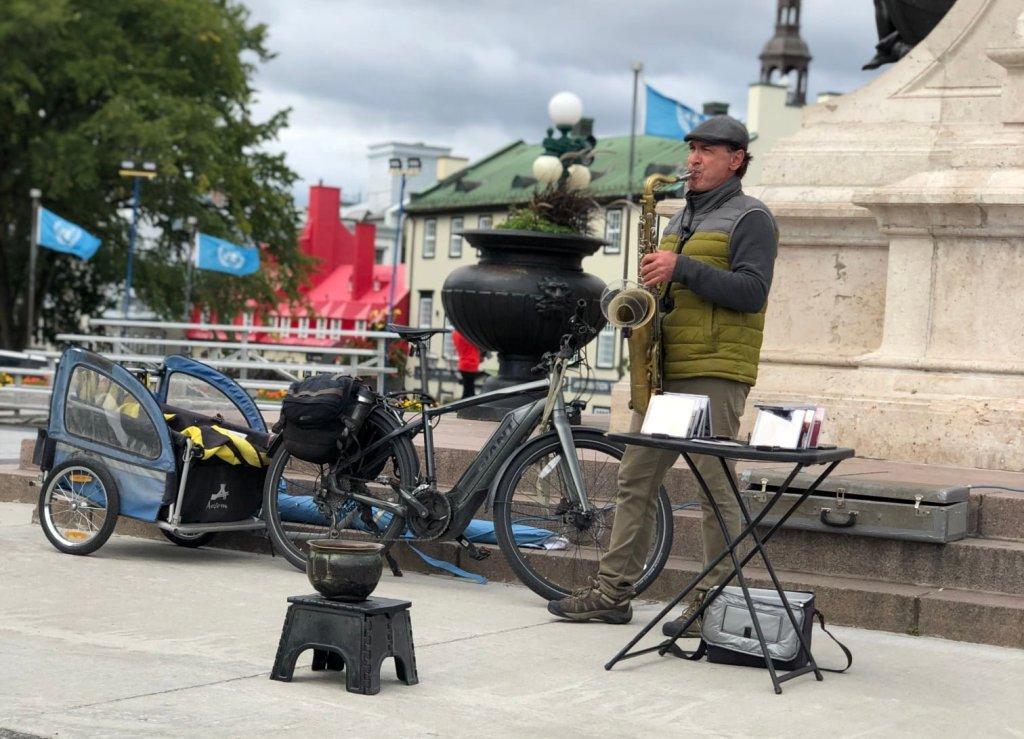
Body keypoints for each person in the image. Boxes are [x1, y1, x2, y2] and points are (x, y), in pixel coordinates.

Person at [547, 115, 779, 634]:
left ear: (736, 159)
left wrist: (683, 268)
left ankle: (714, 605)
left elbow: (752, 292)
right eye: (692, 148)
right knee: (635, 479)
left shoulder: (752, 218)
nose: (693, 159)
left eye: (707, 151)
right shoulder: (680, 220)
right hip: (665, 368)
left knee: (716, 487)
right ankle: (613, 593)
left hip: (714, 368)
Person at [451, 330, 483, 399]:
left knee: (468, 389)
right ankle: (466, 404)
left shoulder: (455, 333)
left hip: (463, 363)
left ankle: (466, 403)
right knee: (469, 391)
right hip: (471, 363)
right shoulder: (469, 333)